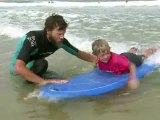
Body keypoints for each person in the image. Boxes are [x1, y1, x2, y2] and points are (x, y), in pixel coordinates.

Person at [10, 14, 97, 85]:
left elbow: (78, 53)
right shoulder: (32, 38)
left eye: (63, 33)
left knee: (59, 77)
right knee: (42, 64)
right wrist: (44, 82)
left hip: (34, 65)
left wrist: (98, 60)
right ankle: (30, 86)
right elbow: (19, 67)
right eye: (59, 33)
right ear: (48, 30)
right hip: (18, 71)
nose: (62, 37)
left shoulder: (60, 41)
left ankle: (37, 79)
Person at [92, 39, 157, 90]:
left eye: (108, 53)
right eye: (102, 55)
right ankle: (132, 51)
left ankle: (153, 48)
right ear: (96, 55)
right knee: (126, 56)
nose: (106, 56)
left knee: (143, 56)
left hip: (131, 59)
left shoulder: (116, 60)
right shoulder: (98, 60)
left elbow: (131, 65)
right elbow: (97, 63)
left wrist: (132, 78)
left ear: (110, 50)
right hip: (123, 57)